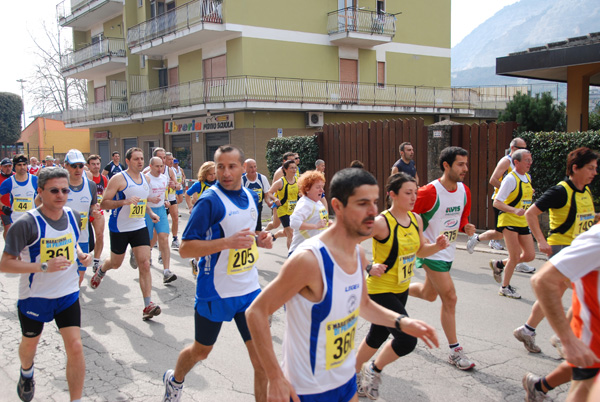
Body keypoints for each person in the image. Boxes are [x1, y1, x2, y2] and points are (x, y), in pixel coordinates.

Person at [245, 167, 439, 402]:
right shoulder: (308, 259)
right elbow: (256, 311)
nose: (372, 211)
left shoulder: (357, 254)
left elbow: (364, 304)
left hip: (345, 381)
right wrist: (275, 376)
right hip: (306, 390)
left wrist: (401, 322)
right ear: (337, 206)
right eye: (362, 203)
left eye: (375, 202)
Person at [161, 145, 273, 402]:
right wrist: (226, 243)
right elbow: (186, 248)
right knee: (201, 351)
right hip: (215, 291)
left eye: (232, 166)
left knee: (262, 363)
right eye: (220, 166)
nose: (225, 172)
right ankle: (175, 380)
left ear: (242, 168)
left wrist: (261, 239)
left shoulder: (250, 196)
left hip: (249, 292)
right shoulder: (209, 201)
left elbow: (246, 236)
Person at [0, 167, 92, 402]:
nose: (61, 195)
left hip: (68, 294)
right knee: (30, 346)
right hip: (35, 296)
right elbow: (5, 264)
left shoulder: (72, 215)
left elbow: (72, 243)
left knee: (76, 346)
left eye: (65, 190)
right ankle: (26, 371)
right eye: (54, 190)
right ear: (40, 191)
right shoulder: (26, 224)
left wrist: (81, 254)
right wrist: (42, 267)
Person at [355, 172, 449, 399]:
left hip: (401, 288)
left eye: (415, 192)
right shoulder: (381, 222)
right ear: (392, 195)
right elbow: (350, 241)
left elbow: (419, 251)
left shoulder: (415, 219)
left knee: (377, 336)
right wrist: (368, 266)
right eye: (408, 193)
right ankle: (373, 369)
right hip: (379, 290)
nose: (414, 197)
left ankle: (350, 373)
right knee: (407, 340)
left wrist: (436, 247)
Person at [517, 148, 598, 400]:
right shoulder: (560, 190)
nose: (595, 173)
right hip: (563, 248)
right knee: (556, 290)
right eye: (591, 168)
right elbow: (531, 213)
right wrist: (541, 240)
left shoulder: (584, 191)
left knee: (578, 298)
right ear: (575, 168)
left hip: (582, 251)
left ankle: (550, 337)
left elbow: (584, 218)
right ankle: (543, 332)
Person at [409, 146, 477, 370]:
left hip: (448, 252)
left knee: (429, 295)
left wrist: (466, 226)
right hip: (430, 252)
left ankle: (396, 288)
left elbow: (460, 218)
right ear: (446, 165)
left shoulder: (464, 191)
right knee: (450, 297)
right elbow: (406, 214)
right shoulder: (429, 192)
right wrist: (418, 241)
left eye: (466, 164)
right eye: (460, 164)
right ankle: (455, 351)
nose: (465, 168)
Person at [88, 147, 162, 321]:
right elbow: (104, 204)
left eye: (142, 158)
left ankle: (147, 305)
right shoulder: (118, 179)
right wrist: (123, 202)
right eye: (136, 159)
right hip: (120, 228)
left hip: (139, 226)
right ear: (127, 161)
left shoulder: (146, 179)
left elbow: (141, 201)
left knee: (144, 263)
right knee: (115, 263)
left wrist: (150, 213)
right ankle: (101, 269)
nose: (140, 161)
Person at [530, 223, 600, 402]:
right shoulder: (597, 237)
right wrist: (567, 339)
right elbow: (542, 280)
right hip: (594, 340)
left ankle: (538, 386)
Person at [466, 138, 537, 272]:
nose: (524, 151)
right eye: (521, 148)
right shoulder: (506, 161)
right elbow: (493, 179)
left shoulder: (523, 165)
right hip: (503, 202)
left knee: (503, 234)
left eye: (525, 148)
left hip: (514, 204)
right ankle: (478, 239)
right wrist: (512, 191)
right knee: (500, 234)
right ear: (513, 148)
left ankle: (518, 261)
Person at [490, 149, 536, 299]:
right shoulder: (510, 179)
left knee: (529, 255)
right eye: (527, 160)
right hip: (509, 220)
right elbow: (497, 202)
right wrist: (514, 210)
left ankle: (500, 264)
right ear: (516, 162)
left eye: (530, 160)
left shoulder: (527, 177)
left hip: (522, 221)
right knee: (515, 256)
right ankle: (505, 287)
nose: (530, 163)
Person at [63, 149, 98, 287]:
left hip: (82, 236)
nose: (78, 169)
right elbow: (40, 203)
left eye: (80, 165)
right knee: (63, 274)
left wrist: (95, 212)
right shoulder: (59, 184)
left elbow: (93, 206)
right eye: (74, 166)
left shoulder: (90, 185)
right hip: (61, 238)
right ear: (66, 166)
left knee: (80, 275)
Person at [145, 156, 177, 284]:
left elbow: (164, 194)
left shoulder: (164, 178)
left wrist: (165, 201)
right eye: (157, 166)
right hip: (147, 212)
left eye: (161, 166)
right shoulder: (146, 178)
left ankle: (166, 271)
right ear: (151, 166)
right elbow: (140, 197)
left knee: (163, 237)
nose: (160, 169)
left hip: (161, 211)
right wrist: (150, 200)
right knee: (148, 241)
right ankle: (140, 254)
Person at [185, 161, 216, 278]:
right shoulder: (199, 185)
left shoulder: (218, 183)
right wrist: (190, 207)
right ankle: (196, 262)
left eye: (214, 173)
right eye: (210, 174)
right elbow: (187, 194)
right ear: (204, 174)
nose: (213, 176)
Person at [288, 170, 329, 255]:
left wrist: (328, 224)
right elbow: (294, 222)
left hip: (314, 250)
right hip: (301, 252)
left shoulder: (318, 202)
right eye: (318, 187)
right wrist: (315, 226)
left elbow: (319, 222)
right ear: (307, 189)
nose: (322, 190)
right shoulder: (305, 203)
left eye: (322, 187)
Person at [0, 154, 39, 232]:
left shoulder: (35, 180)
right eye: (19, 165)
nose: (22, 167)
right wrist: (3, 207)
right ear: (15, 166)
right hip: (15, 221)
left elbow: (44, 196)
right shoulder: (9, 182)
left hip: (33, 219)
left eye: (24, 164)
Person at [266, 159, 299, 249]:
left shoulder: (297, 180)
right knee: (290, 233)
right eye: (291, 168)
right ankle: (291, 256)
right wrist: (275, 199)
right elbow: (269, 192)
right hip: (283, 211)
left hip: (294, 210)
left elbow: (300, 193)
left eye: (295, 168)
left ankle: (274, 236)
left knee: (287, 232)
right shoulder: (280, 182)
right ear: (285, 169)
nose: (294, 170)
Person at [265, 152, 296, 232]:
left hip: (292, 205)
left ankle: (275, 236)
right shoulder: (280, 173)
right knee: (276, 225)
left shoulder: (296, 170)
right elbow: (273, 189)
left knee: (290, 231)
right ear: (284, 161)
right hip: (281, 203)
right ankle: (264, 231)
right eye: (290, 160)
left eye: (294, 159)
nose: (293, 161)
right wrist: (274, 200)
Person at [87, 155, 108, 272]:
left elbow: (104, 192)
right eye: (93, 164)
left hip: (98, 211)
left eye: (98, 164)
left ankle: (96, 260)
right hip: (85, 212)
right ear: (88, 166)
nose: (96, 166)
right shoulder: (85, 178)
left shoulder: (103, 178)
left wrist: (103, 203)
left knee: (99, 235)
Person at [243, 158, 272, 234]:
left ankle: (255, 244)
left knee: (257, 229)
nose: (253, 169)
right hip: (246, 209)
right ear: (245, 168)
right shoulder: (242, 180)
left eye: (255, 166)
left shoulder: (262, 178)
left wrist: (268, 202)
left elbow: (266, 194)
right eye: (250, 167)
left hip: (258, 208)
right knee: (248, 230)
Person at [165, 152, 182, 249]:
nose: (171, 161)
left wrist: (175, 186)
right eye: (169, 159)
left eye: (172, 159)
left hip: (171, 198)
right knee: (158, 222)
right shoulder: (151, 170)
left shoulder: (172, 171)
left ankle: (175, 239)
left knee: (175, 218)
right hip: (160, 201)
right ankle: (153, 240)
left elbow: (178, 185)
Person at [0, 157, 14, 238]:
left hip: (17, 208)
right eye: (5, 166)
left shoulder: (16, 176)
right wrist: (3, 207)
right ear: (1, 167)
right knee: (8, 228)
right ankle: (8, 246)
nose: (8, 168)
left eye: (9, 166)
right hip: (4, 208)